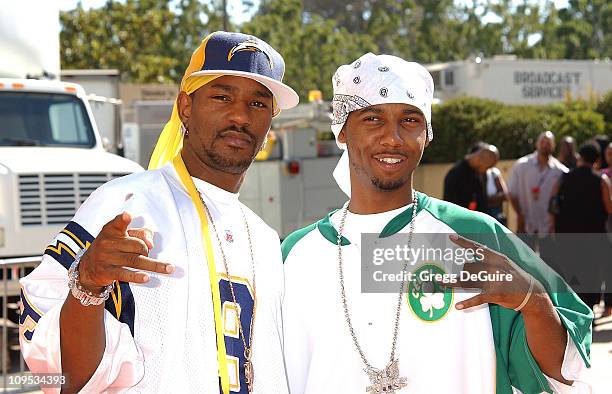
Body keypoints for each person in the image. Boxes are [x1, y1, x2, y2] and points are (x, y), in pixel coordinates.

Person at [281, 53, 592, 394]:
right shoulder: (295, 255)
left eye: (410, 120)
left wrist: (531, 300)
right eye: (373, 119)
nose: (393, 137)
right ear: (341, 129)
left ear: (427, 134)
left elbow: (566, 371)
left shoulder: (474, 235)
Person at [19, 31, 298, 393]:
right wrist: (87, 284)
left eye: (258, 104)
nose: (240, 116)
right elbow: (59, 374)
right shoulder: (126, 204)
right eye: (222, 96)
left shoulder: (262, 238)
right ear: (185, 107)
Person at [552, 142, 612, 313]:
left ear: (579, 157)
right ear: (597, 160)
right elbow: (608, 207)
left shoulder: (564, 178)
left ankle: (573, 309)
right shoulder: (601, 180)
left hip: (568, 234)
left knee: (571, 271)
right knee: (593, 272)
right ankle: (589, 310)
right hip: (594, 235)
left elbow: (553, 203)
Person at [508, 131, 567, 256]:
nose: (545, 145)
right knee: (524, 263)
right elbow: (511, 194)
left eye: (548, 142)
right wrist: (520, 215)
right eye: (542, 141)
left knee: (549, 264)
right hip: (525, 224)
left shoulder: (560, 170)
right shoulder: (521, 165)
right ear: (537, 144)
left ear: (553, 146)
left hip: (548, 227)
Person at [443, 141, 499, 213]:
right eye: (487, 166)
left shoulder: (476, 174)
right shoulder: (457, 174)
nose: (486, 170)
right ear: (478, 159)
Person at [485, 157, 509, 225]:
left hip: (495, 212)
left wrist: (488, 200)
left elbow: (505, 195)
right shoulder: (474, 174)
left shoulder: (494, 173)